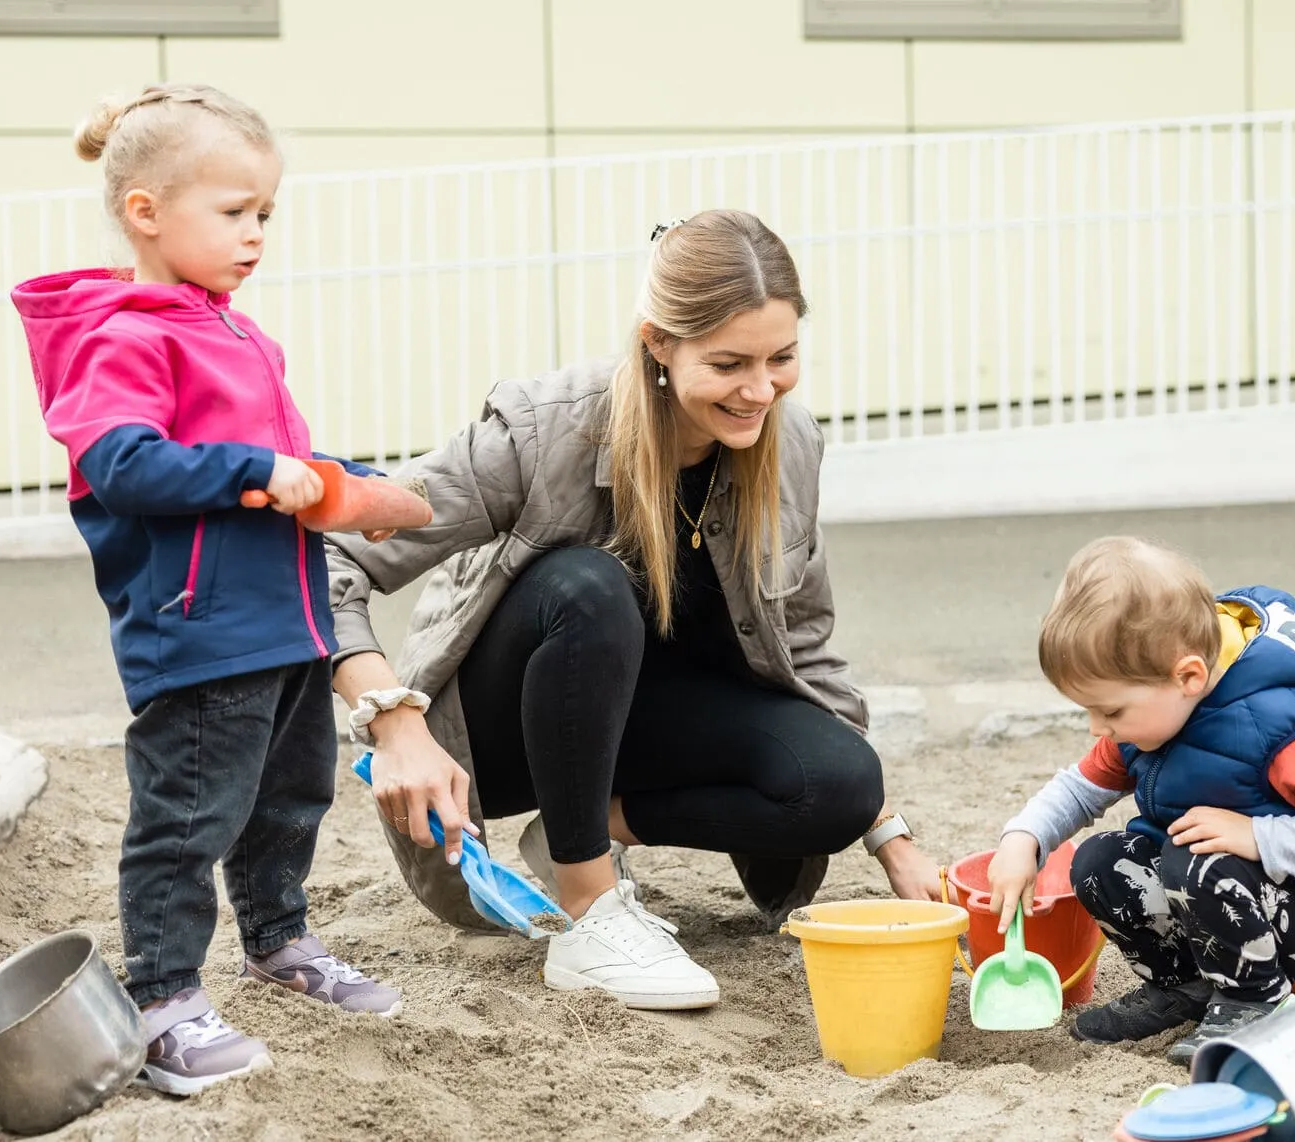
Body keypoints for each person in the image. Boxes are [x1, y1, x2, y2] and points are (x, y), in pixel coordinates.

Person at [324, 209, 940, 1011]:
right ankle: (589, 914)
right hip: (496, 739)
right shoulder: (541, 432)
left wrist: (889, 836)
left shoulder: (788, 444)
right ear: (657, 343)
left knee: (842, 784)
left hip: (632, 728)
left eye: (781, 359)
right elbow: (334, 558)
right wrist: (394, 725)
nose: (760, 390)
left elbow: (807, 647)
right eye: (728, 364)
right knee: (586, 586)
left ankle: (591, 828)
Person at [12, 83, 399, 1096]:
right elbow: (124, 464)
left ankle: (279, 939)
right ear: (145, 211)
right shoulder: (123, 335)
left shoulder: (236, 333)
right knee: (187, 817)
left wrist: (348, 481)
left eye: (265, 213)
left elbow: (281, 462)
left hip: (287, 620)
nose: (255, 233)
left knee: (291, 797)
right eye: (234, 212)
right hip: (200, 628)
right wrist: (253, 471)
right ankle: (162, 996)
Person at [985, 536, 1295, 1066]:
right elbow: (1080, 787)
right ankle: (1186, 988)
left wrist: (1258, 838)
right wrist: (1025, 837)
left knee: (1196, 858)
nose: (1099, 727)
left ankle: (1256, 1002)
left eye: (1110, 711)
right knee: (1099, 861)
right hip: (1226, 905)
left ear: (1188, 676)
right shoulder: (1155, 715)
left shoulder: (1276, 727)